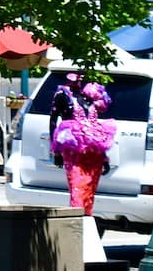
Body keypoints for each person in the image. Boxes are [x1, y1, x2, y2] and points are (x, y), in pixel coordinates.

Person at [48, 73, 116, 216]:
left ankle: (87, 219)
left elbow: (95, 121)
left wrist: (104, 157)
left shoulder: (91, 97)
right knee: (77, 185)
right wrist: (56, 151)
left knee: (90, 188)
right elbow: (53, 121)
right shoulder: (62, 94)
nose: (80, 78)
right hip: (73, 149)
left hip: (94, 150)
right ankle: (76, 222)